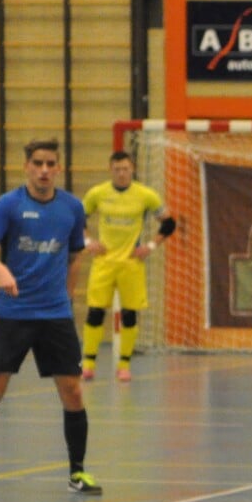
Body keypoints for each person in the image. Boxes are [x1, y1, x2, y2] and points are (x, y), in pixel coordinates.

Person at [0, 140, 98, 497]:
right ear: (26, 166)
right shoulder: (9, 205)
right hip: (13, 314)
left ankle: (77, 473)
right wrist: (0, 270)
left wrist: (68, 298)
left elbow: (74, 256)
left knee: (73, 392)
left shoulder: (72, 208)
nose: (43, 169)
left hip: (55, 316)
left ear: (58, 168)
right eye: (37, 162)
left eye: (50, 163)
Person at [79, 150, 173, 382]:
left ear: (132, 169)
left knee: (130, 314)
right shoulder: (97, 194)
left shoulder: (146, 195)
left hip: (131, 264)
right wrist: (88, 241)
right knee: (95, 312)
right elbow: (76, 220)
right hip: (104, 263)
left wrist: (150, 246)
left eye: (126, 169)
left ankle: (124, 365)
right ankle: (88, 363)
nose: (122, 173)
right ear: (110, 170)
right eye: (117, 169)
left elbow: (169, 223)